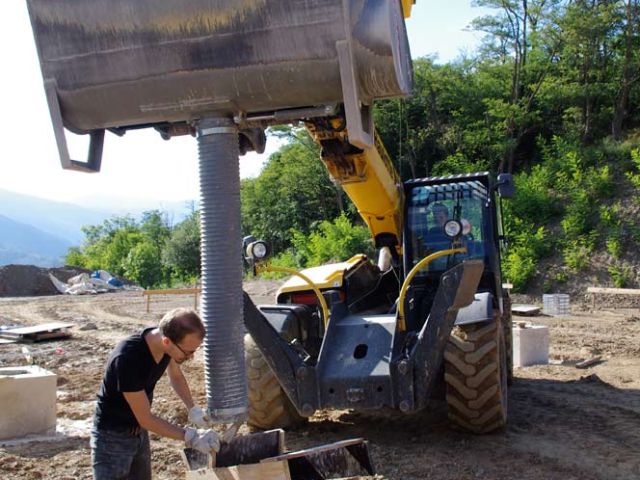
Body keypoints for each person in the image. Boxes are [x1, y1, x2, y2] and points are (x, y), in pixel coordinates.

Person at [91, 307, 220, 480]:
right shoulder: (128, 359)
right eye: (188, 352)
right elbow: (145, 418)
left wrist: (192, 408)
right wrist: (191, 436)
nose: (191, 357)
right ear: (167, 341)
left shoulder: (165, 344)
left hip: (139, 433)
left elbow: (176, 377)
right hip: (112, 438)